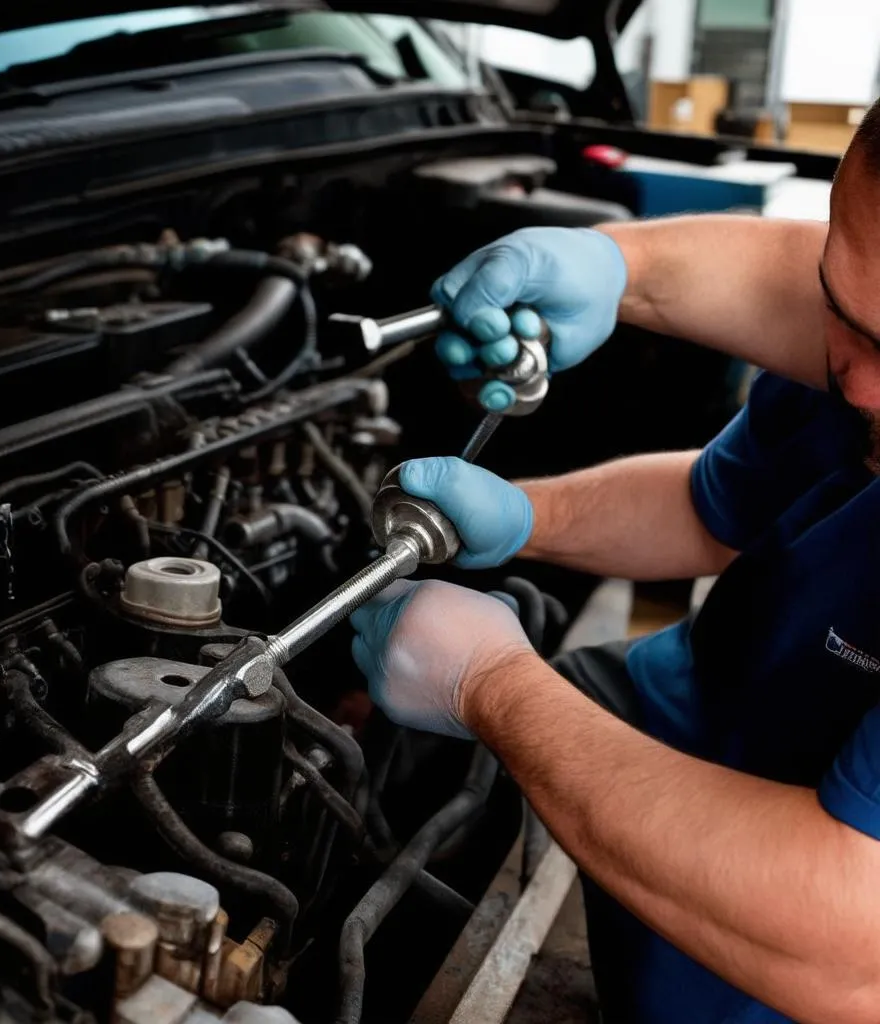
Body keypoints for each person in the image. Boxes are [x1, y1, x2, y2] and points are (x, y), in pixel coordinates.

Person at [349, 101, 880, 1023]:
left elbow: (846, 948)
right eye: (845, 311)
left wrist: (496, 687)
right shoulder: (853, 353)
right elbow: (706, 508)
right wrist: (521, 517)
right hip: (683, 730)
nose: (859, 384)